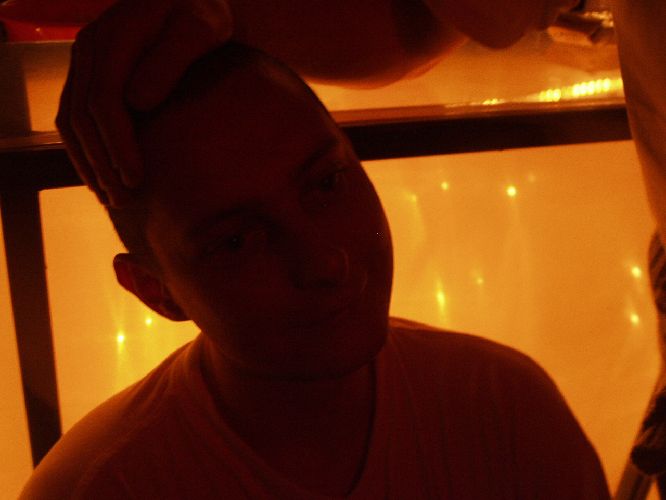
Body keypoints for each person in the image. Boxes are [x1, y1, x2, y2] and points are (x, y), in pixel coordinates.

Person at [15, 0, 634, 497]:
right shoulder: (101, 486)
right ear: (155, 291)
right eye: (238, 241)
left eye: (328, 183)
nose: (322, 260)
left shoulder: (504, 411)